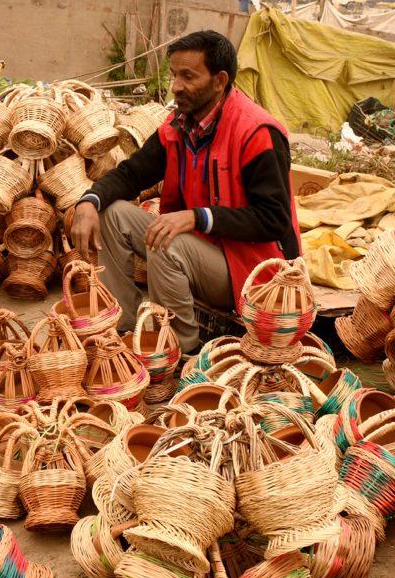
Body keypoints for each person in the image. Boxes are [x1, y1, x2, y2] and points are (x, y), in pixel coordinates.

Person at [70, 30, 299, 352]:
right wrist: (88, 201)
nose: (176, 86)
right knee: (111, 213)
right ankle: (121, 329)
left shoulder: (257, 132)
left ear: (219, 81)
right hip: (202, 250)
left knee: (167, 240)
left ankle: (176, 352)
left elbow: (274, 220)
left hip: (253, 270)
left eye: (188, 76)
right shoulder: (179, 126)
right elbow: (131, 174)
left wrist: (197, 218)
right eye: (175, 74)